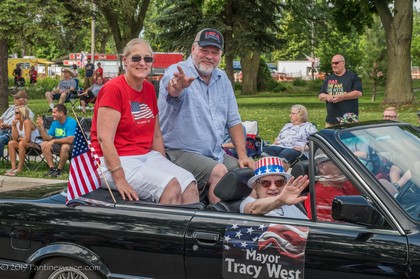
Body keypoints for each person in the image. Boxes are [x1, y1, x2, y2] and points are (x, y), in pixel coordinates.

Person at [90, 38, 199, 205]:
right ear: (124, 60)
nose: (142, 63)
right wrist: (120, 179)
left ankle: (188, 230)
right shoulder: (113, 89)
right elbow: (104, 139)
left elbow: (156, 135)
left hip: (145, 156)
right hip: (112, 160)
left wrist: (163, 165)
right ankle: (163, 231)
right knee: (171, 186)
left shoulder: (148, 88)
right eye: (136, 58)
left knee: (189, 183)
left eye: (147, 59)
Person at [158, 28, 255, 204]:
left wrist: (243, 156)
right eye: (204, 50)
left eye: (215, 52)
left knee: (249, 177)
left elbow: (233, 121)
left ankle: (249, 224)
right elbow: (172, 89)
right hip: (178, 151)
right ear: (193, 49)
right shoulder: (178, 72)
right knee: (219, 172)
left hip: (214, 153)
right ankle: (215, 227)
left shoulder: (222, 78)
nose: (209, 56)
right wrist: (178, 86)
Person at [240, 157, 309, 219]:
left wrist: (282, 201)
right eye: (265, 183)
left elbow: (308, 227)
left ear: (285, 184)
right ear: (256, 187)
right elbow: (253, 209)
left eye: (279, 182)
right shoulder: (248, 202)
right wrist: (279, 200)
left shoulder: (288, 203)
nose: (273, 187)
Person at [304, 153, 360, 222]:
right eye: (337, 163)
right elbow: (325, 230)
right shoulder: (317, 197)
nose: (344, 167)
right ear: (321, 168)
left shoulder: (346, 185)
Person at [319, 54, 363, 127]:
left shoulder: (352, 77)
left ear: (343, 63)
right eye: (332, 63)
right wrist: (327, 97)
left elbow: (358, 93)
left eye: (336, 63)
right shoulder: (329, 78)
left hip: (349, 119)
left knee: (348, 138)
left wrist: (342, 97)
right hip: (331, 120)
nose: (334, 65)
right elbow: (320, 95)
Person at [36, 104, 77, 177]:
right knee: (44, 144)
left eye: (54, 112)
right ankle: (52, 169)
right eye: (52, 112)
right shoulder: (54, 123)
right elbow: (47, 138)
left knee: (65, 146)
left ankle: (59, 170)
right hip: (59, 145)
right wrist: (41, 126)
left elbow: (70, 140)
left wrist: (54, 141)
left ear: (61, 113)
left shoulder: (71, 122)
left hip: (73, 146)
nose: (52, 114)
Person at [5, 106, 41, 176]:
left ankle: (20, 168)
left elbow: (28, 139)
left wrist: (21, 139)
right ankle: (13, 167)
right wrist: (13, 126)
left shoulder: (27, 121)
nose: (14, 114)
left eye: (16, 113)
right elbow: (15, 139)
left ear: (22, 113)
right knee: (11, 143)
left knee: (21, 143)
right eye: (14, 112)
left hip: (36, 146)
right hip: (26, 144)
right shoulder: (17, 123)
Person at [0, 91, 33, 158]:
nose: (14, 100)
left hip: (12, 132)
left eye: (16, 98)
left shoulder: (28, 112)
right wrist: (1, 124)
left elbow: (24, 125)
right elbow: (1, 118)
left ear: (23, 101)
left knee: (1, 139)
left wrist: (9, 125)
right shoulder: (11, 108)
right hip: (2, 129)